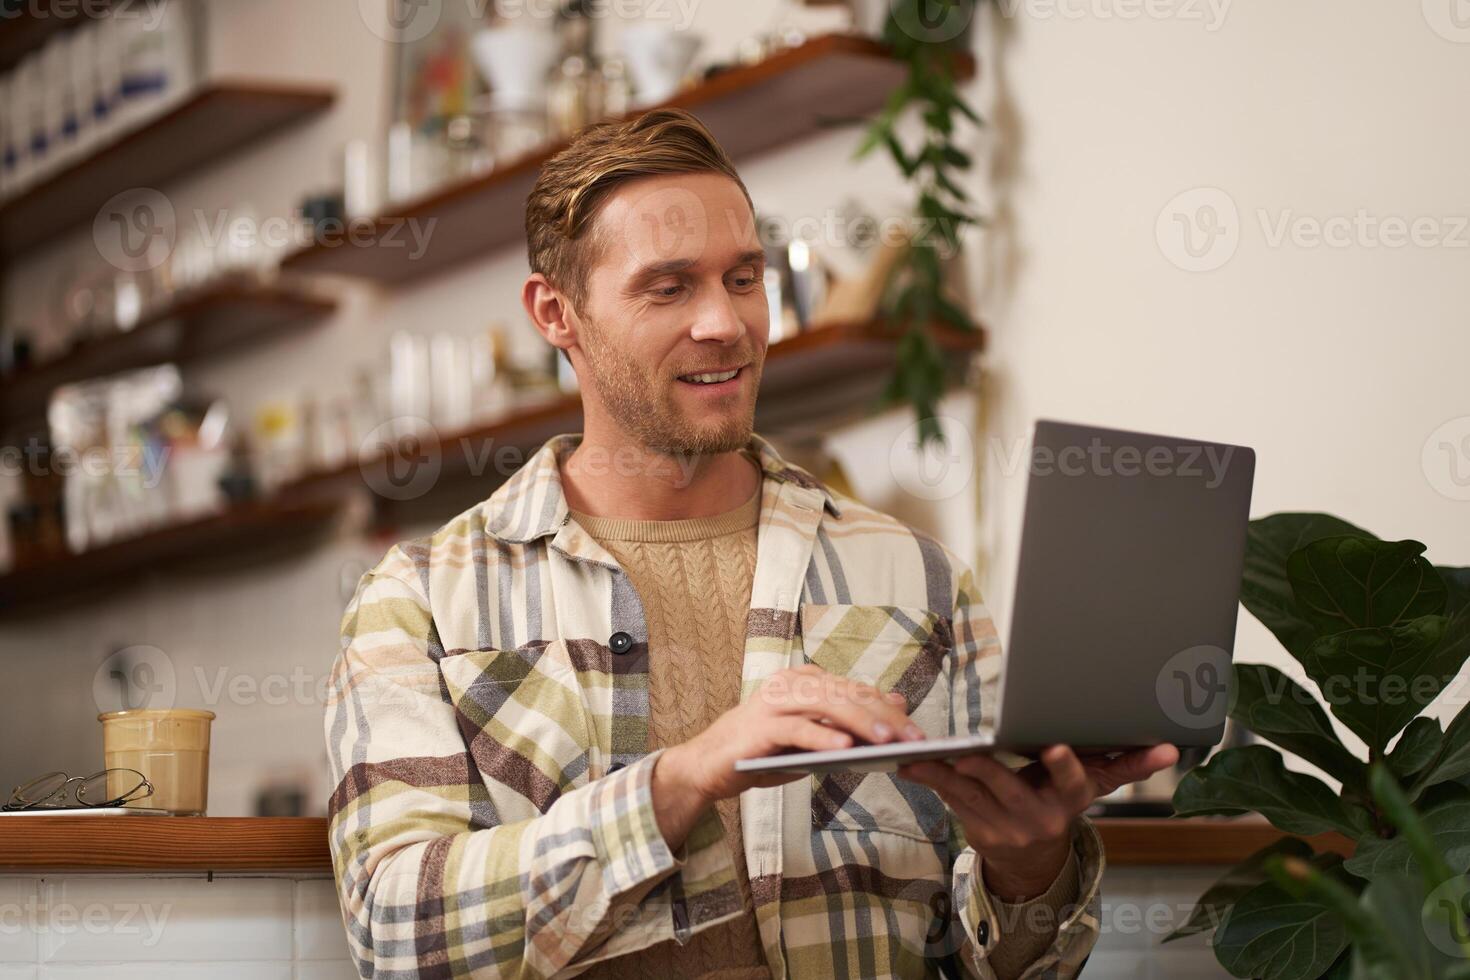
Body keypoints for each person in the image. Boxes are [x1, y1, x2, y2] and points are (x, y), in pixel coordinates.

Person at [324, 107, 1178, 980]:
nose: (725, 324)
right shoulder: (422, 599)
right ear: (557, 313)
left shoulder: (913, 577)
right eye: (669, 287)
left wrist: (1029, 869)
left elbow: (979, 961)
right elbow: (397, 931)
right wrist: (682, 780)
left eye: (743, 277)